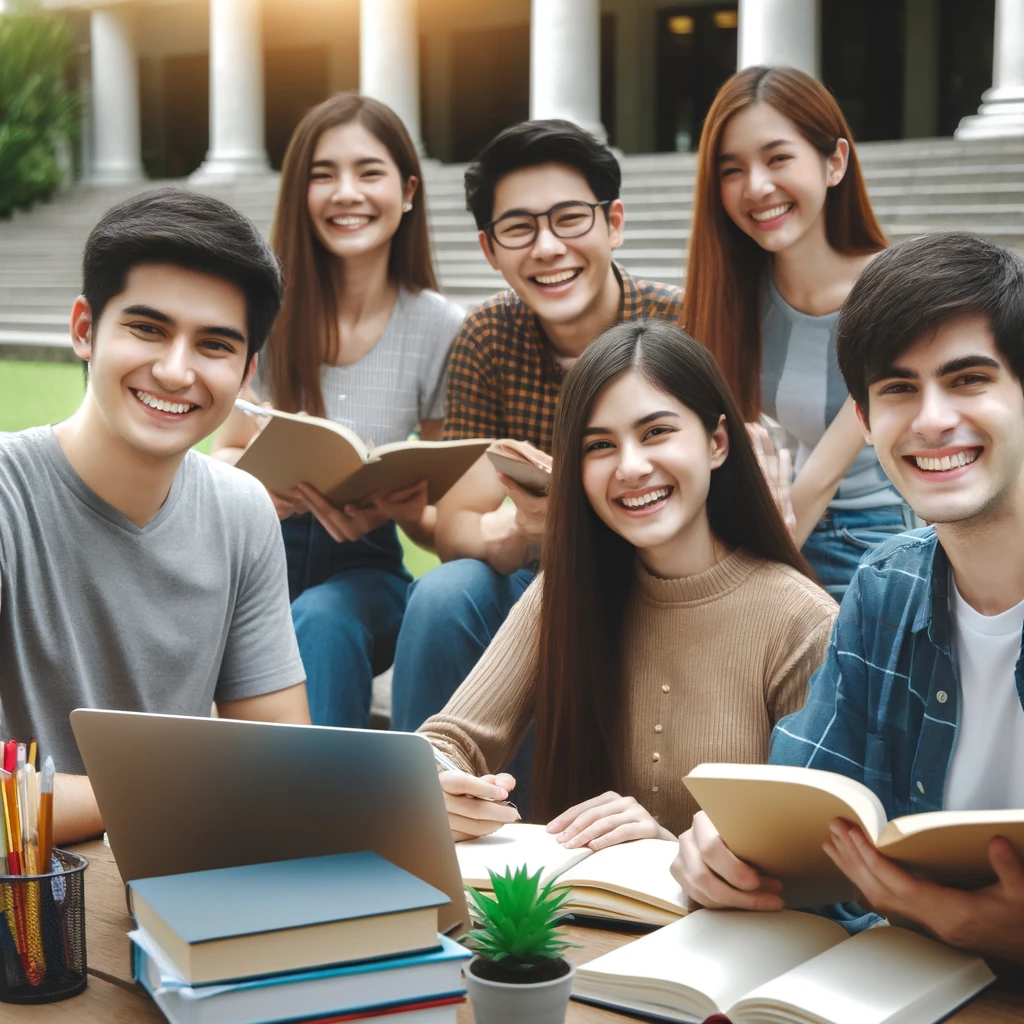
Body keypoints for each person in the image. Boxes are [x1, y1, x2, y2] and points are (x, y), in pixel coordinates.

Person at [672, 232, 1024, 965]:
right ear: (864, 421)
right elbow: (802, 809)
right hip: (898, 986)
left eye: (967, 380)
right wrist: (724, 851)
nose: (931, 420)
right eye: (898, 389)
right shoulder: (884, 585)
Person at [418, 319, 836, 846]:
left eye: (656, 432)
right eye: (599, 446)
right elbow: (449, 739)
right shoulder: (567, 589)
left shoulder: (804, 621)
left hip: (725, 925)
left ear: (717, 443)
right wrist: (438, 783)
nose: (632, 467)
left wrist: (665, 845)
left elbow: (809, 854)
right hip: (575, 921)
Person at [0, 188, 310, 845]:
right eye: (147, 329)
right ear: (84, 329)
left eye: (215, 345)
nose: (175, 371)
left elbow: (284, 761)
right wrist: (191, 786)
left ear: (247, 371)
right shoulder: (8, 497)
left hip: (172, 893)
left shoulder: (240, 510)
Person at [390, 119, 683, 738]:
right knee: (447, 594)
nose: (547, 248)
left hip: (654, 583)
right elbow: (455, 527)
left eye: (570, 218)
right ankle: (417, 800)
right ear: (489, 250)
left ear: (615, 223)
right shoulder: (487, 338)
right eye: (519, 228)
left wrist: (579, 522)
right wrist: (515, 532)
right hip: (533, 578)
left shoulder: (676, 324)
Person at [213, 94, 464, 728]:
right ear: (300, 193)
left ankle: (324, 813)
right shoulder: (265, 311)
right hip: (263, 556)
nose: (345, 192)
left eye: (368, 172)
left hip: (366, 568)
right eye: (323, 174)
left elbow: (444, 503)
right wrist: (257, 488)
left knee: (322, 621)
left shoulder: (439, 326)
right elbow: (225, 453)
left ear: (408, 191)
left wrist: (401, 508)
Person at [682, 65, 913, 599]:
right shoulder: (734, 294)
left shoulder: (894, 290)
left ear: (834, 162)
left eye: (778, 157)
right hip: (797, 519)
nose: (757, 187)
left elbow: (826, 474)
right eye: (731, 169)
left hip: (891, 528)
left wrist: (741, 581)